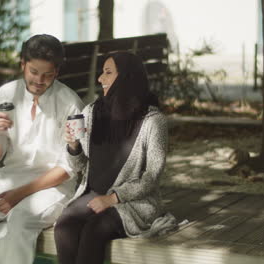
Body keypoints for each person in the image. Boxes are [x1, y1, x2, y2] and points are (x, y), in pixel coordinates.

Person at [0, 34, 84, 264]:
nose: (39, 80)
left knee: (18, 222)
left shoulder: (71, 104)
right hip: (10, 176)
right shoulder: (6, 94)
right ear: (22, 64)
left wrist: (20, 194)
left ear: (57, 73)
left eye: (47, 75)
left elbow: (69, 169)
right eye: (33, 72)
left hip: (54, 185)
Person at [54, 51, 177, 264]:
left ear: (127, 77)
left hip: (134, 202)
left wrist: (112, 199)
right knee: (65, 225)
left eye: (108, 73)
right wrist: (73, 146)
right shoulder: (92, 112)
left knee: (94, 230)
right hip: (93, 194)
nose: (100, 78)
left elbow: (152, 177)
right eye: (102, 72)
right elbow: (81, 166)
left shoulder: (153, 122)